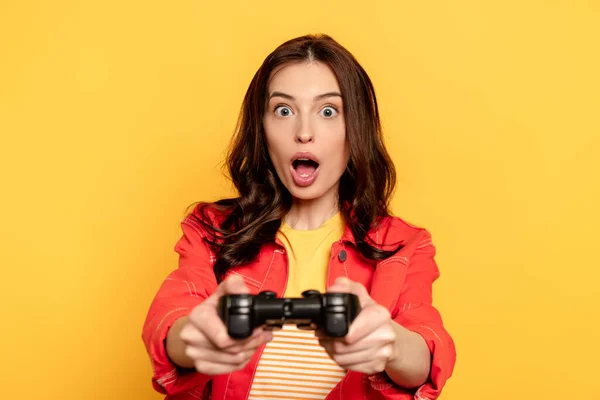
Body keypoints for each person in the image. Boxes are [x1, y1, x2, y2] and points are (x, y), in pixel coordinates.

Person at [142, 34, 456, 400]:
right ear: (261, 128)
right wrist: (195, 336)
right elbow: (172, 313)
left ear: (355, 130)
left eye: (327, 111)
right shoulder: (211, 230)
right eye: (283, 110)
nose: (303, 133)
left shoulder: (402, 245)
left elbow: (427, 349)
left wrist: (389, 346)